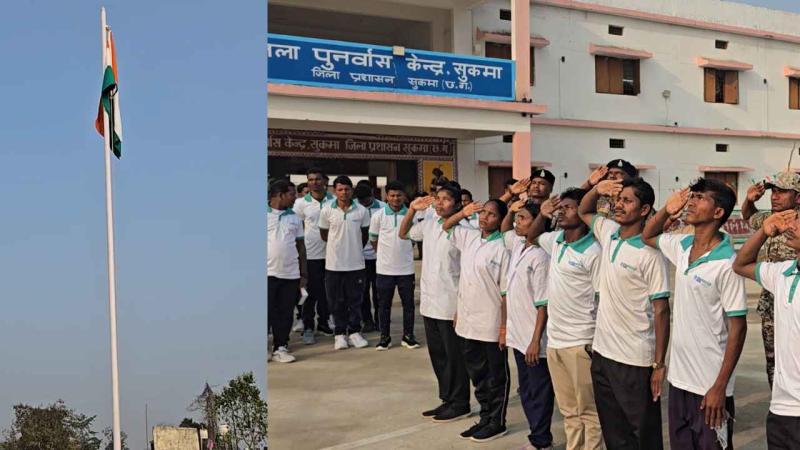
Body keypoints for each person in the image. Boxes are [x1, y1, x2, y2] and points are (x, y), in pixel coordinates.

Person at [642, 178, 747, 450]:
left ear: (718, 212)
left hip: (709, 385)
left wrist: (720, 386)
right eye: (693, 196)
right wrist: (667, 210)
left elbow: (738, 328)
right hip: (680, 381)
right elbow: (648, 236)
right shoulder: (683, 245)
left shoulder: (727, 263)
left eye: (700, 198)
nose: (691, 202)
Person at [578, 177, 671, 449]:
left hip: (634, 359)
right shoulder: (609, 232)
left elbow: (662, 310)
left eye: (627, 201)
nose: (618, 205)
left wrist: (658, 365)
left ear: (644, 210)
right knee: (613, 430)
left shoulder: (650, 254)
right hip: (603, 353)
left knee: (642, 433)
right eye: (618, 199)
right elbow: (584, 210)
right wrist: (597, 189)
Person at [528, 188, 603, 450]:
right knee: (569, 410)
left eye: (569, 207)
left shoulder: (593, 251)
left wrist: (595, 342)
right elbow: (532, 236)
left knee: (589, 412)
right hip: (556, 341)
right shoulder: (557, 240)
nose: (562, 212)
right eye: (561, 207)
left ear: (583, 212)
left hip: (580, 341)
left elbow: (601, 300)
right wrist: (542, 214)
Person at [399, 183, 471, 424]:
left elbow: (468, 271)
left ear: (458, 204)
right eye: (437, 198)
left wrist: (462, 307)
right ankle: (447, 398)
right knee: (438, 355)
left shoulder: (464, 230)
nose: (440, 203)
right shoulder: (429, 223)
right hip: (430, 301)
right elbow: (404, 233)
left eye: (446, 199)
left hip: (451, 304)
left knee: (454, 357)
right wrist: (412, 209)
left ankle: (460, 402)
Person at [442, 199, 511, 443]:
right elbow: (447, 225)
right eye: (483, 213)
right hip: (468, 321)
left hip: (491, 322)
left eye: (492, 215)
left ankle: (497, 421)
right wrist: (464, 212)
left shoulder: (503, 247)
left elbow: (506, 292)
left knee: (495, 375)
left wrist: (504, 327)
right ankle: (484, 417)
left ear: (501, 220)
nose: (484, 218)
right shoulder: (470, 237)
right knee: (478, 374)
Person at [732, 209, 800, 449]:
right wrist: (763, 231)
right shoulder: (783, 272)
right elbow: (741, 264)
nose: (790, 226)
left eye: (799, 222)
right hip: (781, 408)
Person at [740, 172, 800, 388]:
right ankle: (778, 398)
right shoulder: (770, 218)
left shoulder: (797, 224)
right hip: (771, 303)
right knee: (774, 362)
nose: (774, 196)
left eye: (782, 192)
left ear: (798, 197)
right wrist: (749, 200)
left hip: (795, 301)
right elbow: (749, 217)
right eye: (773, 191)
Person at [503, 200, 555, 450]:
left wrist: (535, 341)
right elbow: (504, 229)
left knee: (539, 390)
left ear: (538, 223)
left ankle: (541, 439)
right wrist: (511, 208)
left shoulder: (541, 255)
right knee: (526, 388)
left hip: (534, 338)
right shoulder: (518, 245)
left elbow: (543, 303)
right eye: (517, 217)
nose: (517, 222)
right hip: (518, 334)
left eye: (523, 218)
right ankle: (536, 434)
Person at [319, 176, 372, 350]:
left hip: (356, 265)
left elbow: (364, 236)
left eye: (347, 189)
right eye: (340, 189)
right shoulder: (327, 210)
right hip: (334, 265)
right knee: (336, 302)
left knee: (355, 300)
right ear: (334, 191)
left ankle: (355, 332)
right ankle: (340, 334)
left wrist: (353, 248)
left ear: (352, 190)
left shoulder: (362, 211)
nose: (344, 192)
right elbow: (324, 235)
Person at [369, 181, 419, 350]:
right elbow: (373, 239)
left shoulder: (412, 215)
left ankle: (408, 336)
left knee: (408, 305)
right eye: (392, 195)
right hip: (384, 269)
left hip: (406, 269)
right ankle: (385, 337)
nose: (395, 198)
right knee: (384, 305)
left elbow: (414, 238)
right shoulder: (378, 215)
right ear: (387, 196)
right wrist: (384, 255)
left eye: (399, 195)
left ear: (404, 196)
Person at [293, 168, 334, 344]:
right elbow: (296, 227)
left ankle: (324, 322)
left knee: (327, 292)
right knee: (310, 293)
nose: (314, 182)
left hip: (332, 254)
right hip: (310, 254)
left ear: (325, 181)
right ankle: (308, 326)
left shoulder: (334, 200)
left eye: (317, 179)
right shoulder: (301, 203)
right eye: (310, 179)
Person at [268, 180, 306, 363]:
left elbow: (301, 247)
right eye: (291, 194)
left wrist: (303, 274)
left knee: (285, 312)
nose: (295, 198)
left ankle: (280, 347)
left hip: (290, 273)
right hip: (266, 273)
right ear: (280, 195)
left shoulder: (295, 218)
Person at [355, 182, 384, 333]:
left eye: (366, 200)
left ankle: (380, 320)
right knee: (363, 292)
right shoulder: (354, 207)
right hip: (360, 257)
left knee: (379, 291)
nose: (363, 203)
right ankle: (367, 320)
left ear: (372, 195)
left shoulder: (383, 207)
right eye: (360, 201)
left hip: (379, 256)